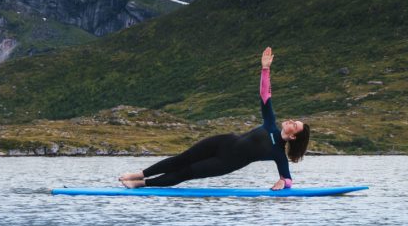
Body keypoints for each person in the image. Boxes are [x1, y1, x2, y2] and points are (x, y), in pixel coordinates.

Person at [118, 47, 311, 190]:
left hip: (224, 163)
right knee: (181, 159)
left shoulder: (278, 153)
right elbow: (265, 96)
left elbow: (288, 179)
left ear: (293, 136)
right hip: (223, 141)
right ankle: (138, 174)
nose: (291, 121)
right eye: (294, 120)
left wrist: (282, 182)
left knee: (186, 172)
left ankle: (141, 184)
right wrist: (265, 69)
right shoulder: (270, 124)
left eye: (295, 125)